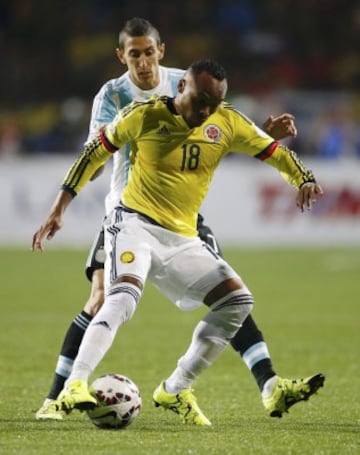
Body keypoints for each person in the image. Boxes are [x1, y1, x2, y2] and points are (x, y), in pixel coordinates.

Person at [32, 58, 324, 426]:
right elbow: (94, 152)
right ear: (182, 87)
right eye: (200, 99)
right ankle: (75, 384)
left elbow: (273, 151)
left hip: (182, 236)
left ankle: (175, 387)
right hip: (133, 223)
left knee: (236, 301)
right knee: (120, 297)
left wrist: (303, 178)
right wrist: (59, 207)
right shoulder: (145, 115)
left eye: (213, 104)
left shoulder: (226, 121)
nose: (205, 111)